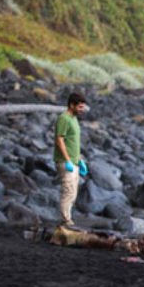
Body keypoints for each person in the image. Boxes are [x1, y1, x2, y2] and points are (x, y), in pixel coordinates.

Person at [53, 92, 88, 226]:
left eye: (83, 107)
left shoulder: (74, 119)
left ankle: (67, 219)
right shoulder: (64, 118)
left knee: (73, 192)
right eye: (80, 107)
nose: (82, 110)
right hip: (65, 161)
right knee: (68, 191)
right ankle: (65, 221)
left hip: (74, 161)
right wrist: (67, 159)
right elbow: (59, 139)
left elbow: (73, 142)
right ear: (72, 105)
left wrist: (79, 159)